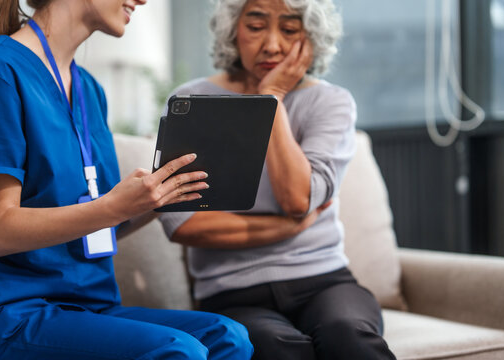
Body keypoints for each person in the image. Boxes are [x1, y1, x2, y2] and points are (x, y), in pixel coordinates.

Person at [0, 0, 254, 359]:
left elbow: (95, 224)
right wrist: (111, 206)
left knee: (229, 336)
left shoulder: (89, 88)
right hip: (10, 313)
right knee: (177, 350)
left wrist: (157, 197)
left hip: (91, 306)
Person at [158, 0, 397, 359]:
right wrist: (289, 228)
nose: (272, 45)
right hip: (231, 293)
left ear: (311, 37)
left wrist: (270, 99)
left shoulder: (331, 103)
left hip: (324, 281)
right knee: (277, 348)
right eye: (255, 27)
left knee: (348, 335)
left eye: (289, 29)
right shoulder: (193, 100)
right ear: (232, 32)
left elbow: (297, 199)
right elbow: (184, 224)